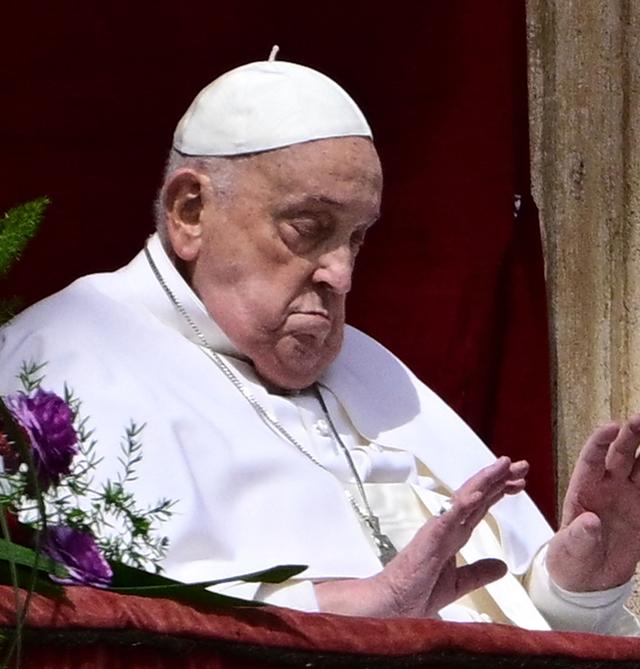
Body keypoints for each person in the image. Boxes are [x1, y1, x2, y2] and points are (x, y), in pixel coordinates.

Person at [1, 50, 640, 633]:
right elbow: (96, 644)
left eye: (357, 237)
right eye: (308, 228)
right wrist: (340, 615)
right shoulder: (59, 360)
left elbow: (510, 630)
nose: (342, 273)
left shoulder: (369, 365)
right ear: (190, 212)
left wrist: (579, 588)